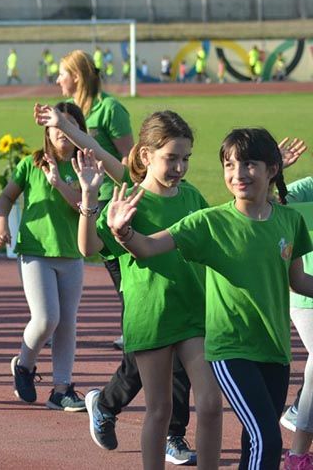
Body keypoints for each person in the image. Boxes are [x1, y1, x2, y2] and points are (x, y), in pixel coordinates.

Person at [106, 127, 313, 469]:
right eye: (229, 165)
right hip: (231, 349)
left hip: (275, 350)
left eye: (248, 164)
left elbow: (299, 280)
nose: (237, 174)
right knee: (268, 437)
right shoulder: (210, 223)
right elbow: (148, 247)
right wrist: (123, 232)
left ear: (271, 169)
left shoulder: (288, 221)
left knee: (254, 441)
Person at [51, 108, 222, 469]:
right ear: (146, 155)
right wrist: (88, 197)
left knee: (209, 402)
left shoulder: (190, 196)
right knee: (159, 410)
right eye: (171, 158)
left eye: (185, 158)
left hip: (194, 314)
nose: (179, 167)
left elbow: (217, 235)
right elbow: (88, 248)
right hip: (151, 318)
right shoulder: (128, 198)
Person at [0, 102, 87, 410]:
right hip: (35, 253)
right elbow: (6, 197)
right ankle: (24, 365)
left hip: (72, 253)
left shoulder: (85, 165)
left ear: (79, 131)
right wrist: (1, 222)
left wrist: (58, 183)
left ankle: (62, 388)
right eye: (56, 125)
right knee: (46, 319)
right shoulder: (31, 163)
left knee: (67, 323)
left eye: (69, 125)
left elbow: (84, 207)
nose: (61, 131)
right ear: (46, 129)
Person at [56, 49, 133, 348]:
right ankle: (56, 326)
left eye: (61, 73)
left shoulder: (110, 109)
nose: (57, 79)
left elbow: (128, 155)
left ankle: (134, 328)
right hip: (81, 194)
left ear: (76, 76)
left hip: (108, 198)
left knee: (120, 266)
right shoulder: (69, 111)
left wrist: (122, 194)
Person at [282, 177, 313, 469]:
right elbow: (268, 204)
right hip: (307, 297)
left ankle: (298, 408)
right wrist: (274, 171)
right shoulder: (305, 190)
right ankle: (298, 454)